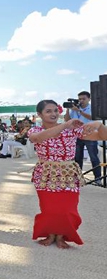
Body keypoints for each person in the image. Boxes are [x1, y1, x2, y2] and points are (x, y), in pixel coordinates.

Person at [28, 100, 107, 248]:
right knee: (49, 208)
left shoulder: (71, 130)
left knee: (68, 208)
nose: (53, 114)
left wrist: (98, 124)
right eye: (48, 111)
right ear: (39, 114)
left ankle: (61, 236)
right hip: (46, 174)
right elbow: (37, 139)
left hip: (68, 174)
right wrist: (65, 124)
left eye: (55, 111)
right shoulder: (35, 130)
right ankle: (51, 235)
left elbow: (102, 137)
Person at [64, 91, 101, 181]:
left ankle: (98, 178)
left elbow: (92, 117)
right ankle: (78, 178)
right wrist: (68, 109)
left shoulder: (92, 107)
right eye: (80, 99)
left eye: (84, 99)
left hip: (90, 135)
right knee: (77, 158)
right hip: (77, 136)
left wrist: (79, 111)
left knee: (94, 157)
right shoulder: (75, 108)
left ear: (89, 99)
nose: (81, 101)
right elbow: (67, 120)